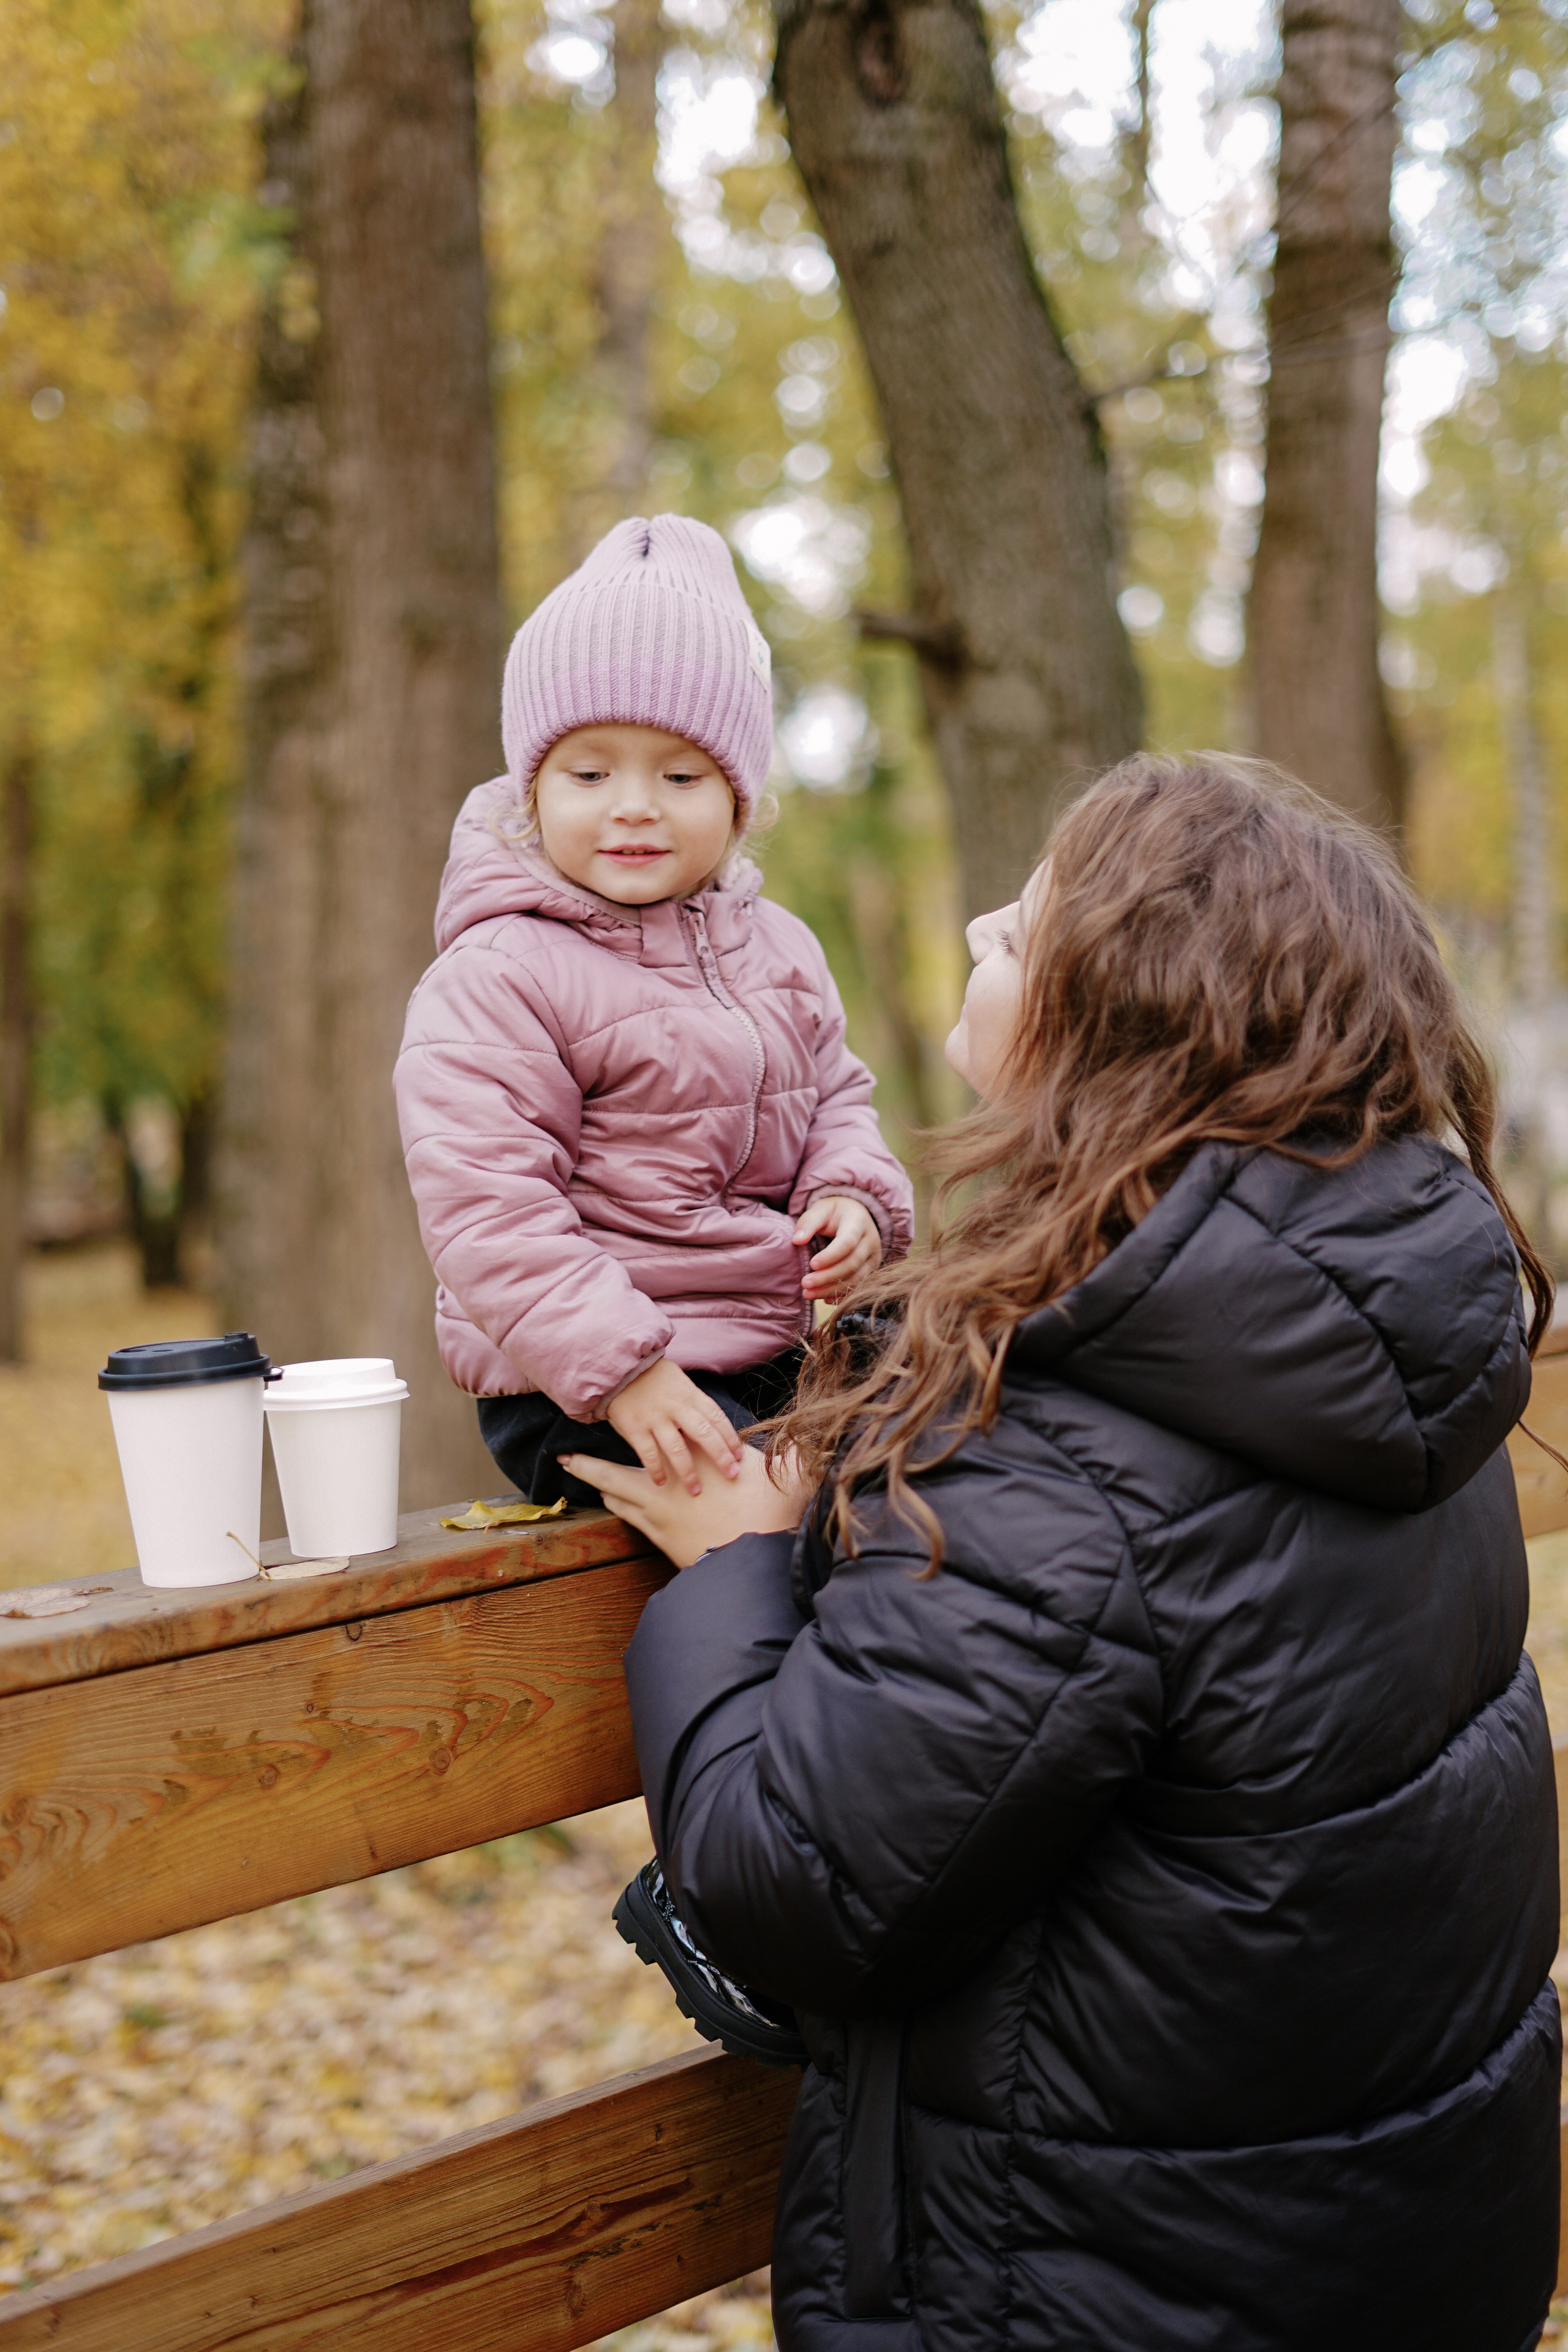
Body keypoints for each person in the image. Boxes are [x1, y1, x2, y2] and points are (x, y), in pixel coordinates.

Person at [567, 754, 1561, 2352]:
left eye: (1021, 928)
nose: (972, 921)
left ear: (1116, 1026)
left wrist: (739, 1570)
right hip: (1390, 2259)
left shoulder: (1073, 1456)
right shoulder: (1378, 1343)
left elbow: (795, 1884)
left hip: (1099, 2292)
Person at [394, 513, 914, 2067]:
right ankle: (722, 1895)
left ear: (738, 795)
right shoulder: (497, 974)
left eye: (680, 775)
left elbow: (842, 1094)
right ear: (527, 782)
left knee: (920, 1556)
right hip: (578, 1375)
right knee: (778, 1562)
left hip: (766, 1350)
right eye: (590, 770)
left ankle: (843, 1883)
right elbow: (485, 1205)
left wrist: (850, 1201)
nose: (634, 808)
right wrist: (620, 1370)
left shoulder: (778, 949)